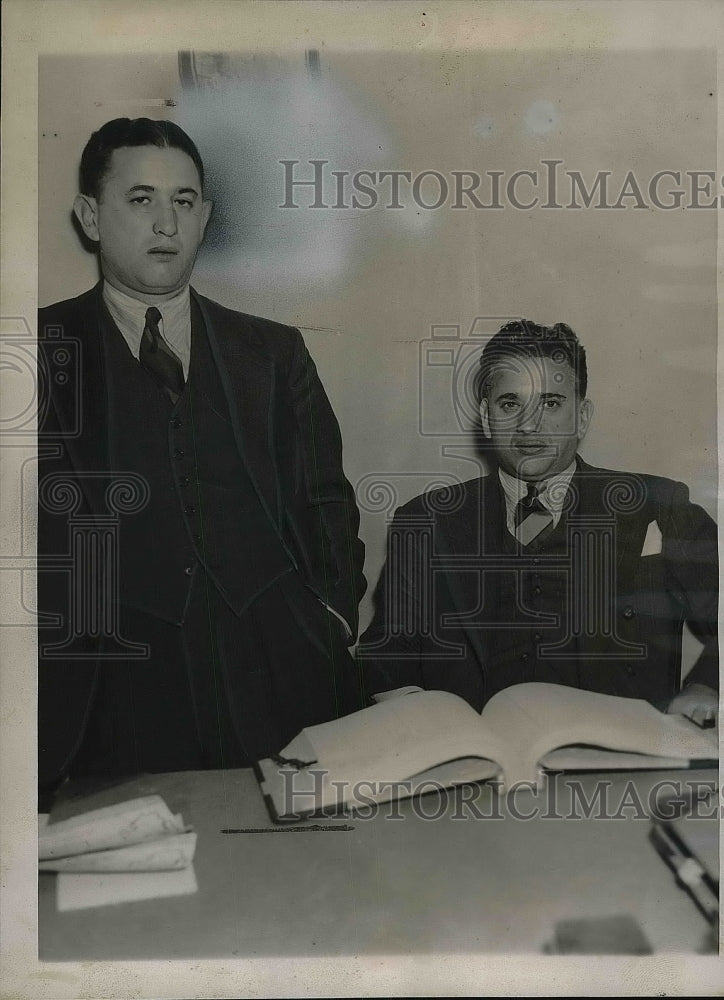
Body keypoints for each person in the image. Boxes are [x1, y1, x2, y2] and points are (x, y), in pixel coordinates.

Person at [38, 118, 366, 795]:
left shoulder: (272, 354)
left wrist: (327, 622)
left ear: (205, 217)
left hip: (277, 686)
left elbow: (326, 503)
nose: (166, 223)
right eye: (140, 200)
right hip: (107, 701)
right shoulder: (33, 352)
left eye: (183, 202)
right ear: (90, 216)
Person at [358, 320, 717, 721]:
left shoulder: (659, 506)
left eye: (550, 403)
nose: (529, 425)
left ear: (581, 416)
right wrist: (429, 731)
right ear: (486, 415)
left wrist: (706, 686)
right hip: (480, 767)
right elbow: (387, 657)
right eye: (510, 404)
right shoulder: (425, 521)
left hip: (622, 762)